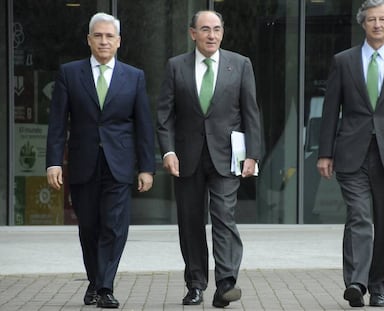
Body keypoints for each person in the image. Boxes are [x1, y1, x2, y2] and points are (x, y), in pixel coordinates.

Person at [46, 12, 155, 309]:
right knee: (89, 226)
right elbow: (58, 122)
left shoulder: (134, 77)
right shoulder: (70, 73)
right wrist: (53, 162)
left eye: (110, 36)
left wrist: (146, 167)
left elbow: (144, 125)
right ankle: (94, 280)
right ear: (89, 40)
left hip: (119, 164)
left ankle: (105, 287)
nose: (104, 41)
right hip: (83, 163)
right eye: (99, 35)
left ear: (119, 42)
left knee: (114, 225)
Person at [157, 10, 261, 308]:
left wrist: (252, 154)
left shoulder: (240, 65)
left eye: (216, 29)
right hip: (186, 158)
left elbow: (251, 112)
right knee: (190, 222)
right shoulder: (176, 66)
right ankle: (195, 284)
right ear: (193, 34)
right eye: (205, 29)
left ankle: (226, 282)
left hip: (227, 157)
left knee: (223, 216)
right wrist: (168, 151)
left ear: (222, 32)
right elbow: (164, 115)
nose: (211, 35)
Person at [317, 0, 384, 308]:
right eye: (371, 19)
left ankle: (380, 287)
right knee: (359, 216)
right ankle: (356, 283)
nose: (377, 24)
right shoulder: (343, 61)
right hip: (351, 152)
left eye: (382, 19)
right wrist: (324, 152)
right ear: (363, 23)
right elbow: (331, 109)